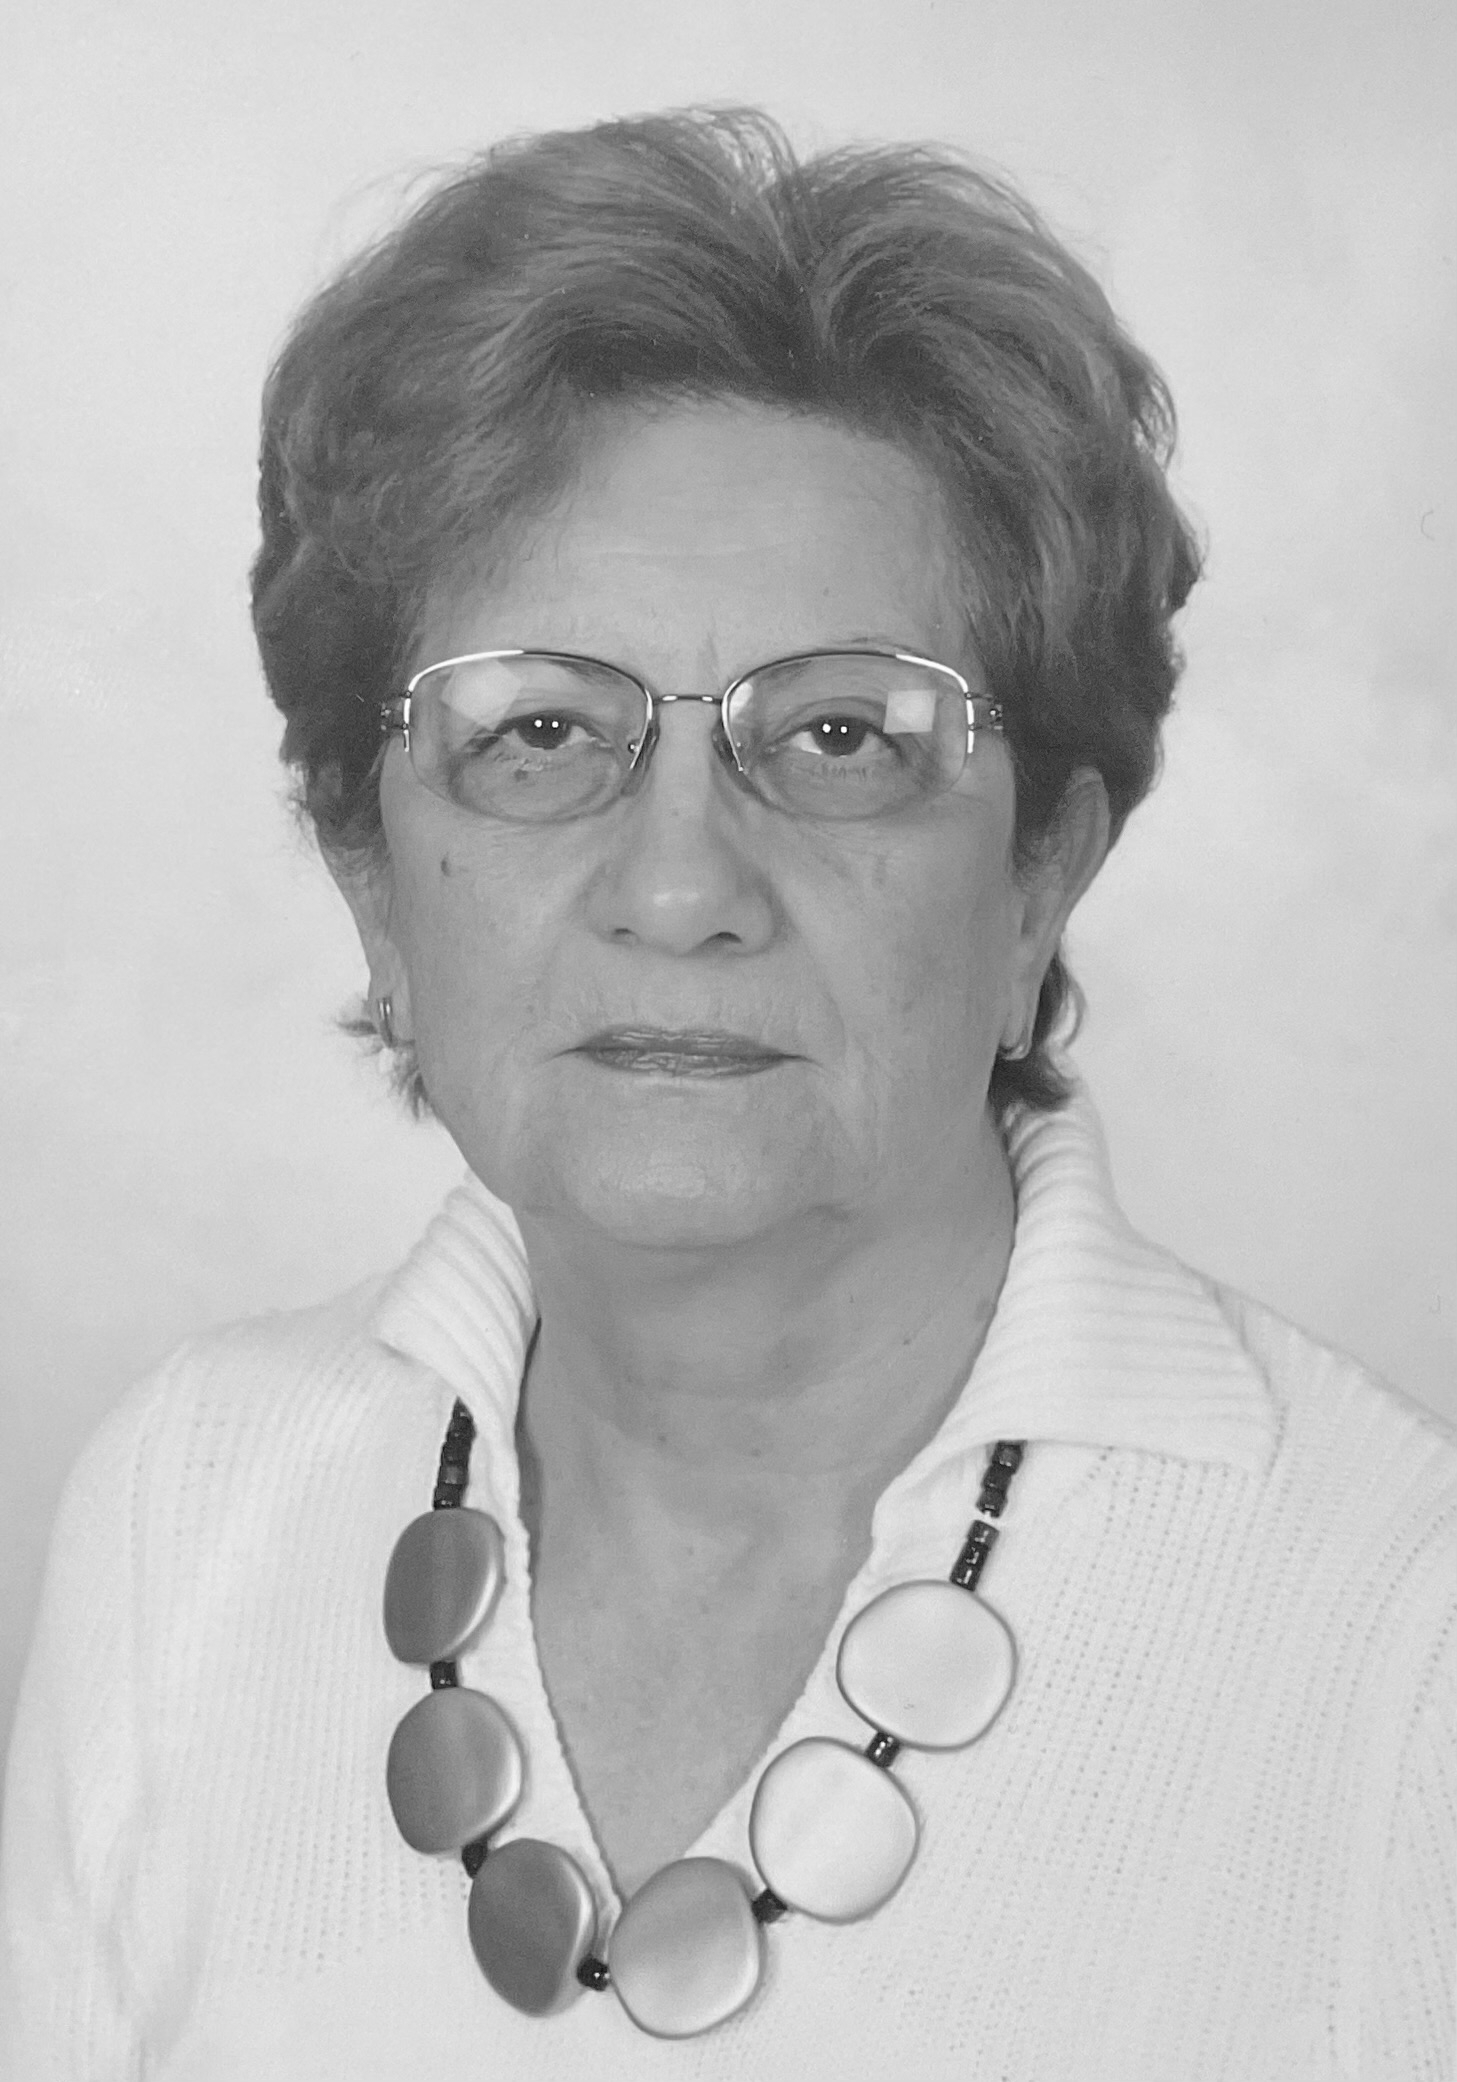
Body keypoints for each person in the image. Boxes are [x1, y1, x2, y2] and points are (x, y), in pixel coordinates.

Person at [1, 106, 1452, 2082]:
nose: (681, 887)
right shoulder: (188, 1514)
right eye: (539, 731)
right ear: (373, 881)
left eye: (842, 734)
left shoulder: (1405, 1646)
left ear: (1041, 873)